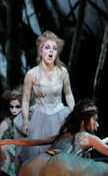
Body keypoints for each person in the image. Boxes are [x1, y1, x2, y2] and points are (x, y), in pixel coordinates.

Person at [18, 31, 75, 168]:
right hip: (40, 117)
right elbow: (25, 99)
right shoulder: (32, 74)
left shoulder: (62, 71)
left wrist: (74, 115)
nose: (51, 51)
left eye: (54, 49)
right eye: (47, 47)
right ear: (40, 51)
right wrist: (25, 120)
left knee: (61, 157)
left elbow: (68, 94)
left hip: (60, 115)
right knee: (39, 157)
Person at [0, 89, 23, 176]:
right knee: (4, 148)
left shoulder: (28, 119)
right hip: (12, 150)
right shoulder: (7, 122)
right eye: (11, 107)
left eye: (17, 106)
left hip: (26, 148)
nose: (14, 109)